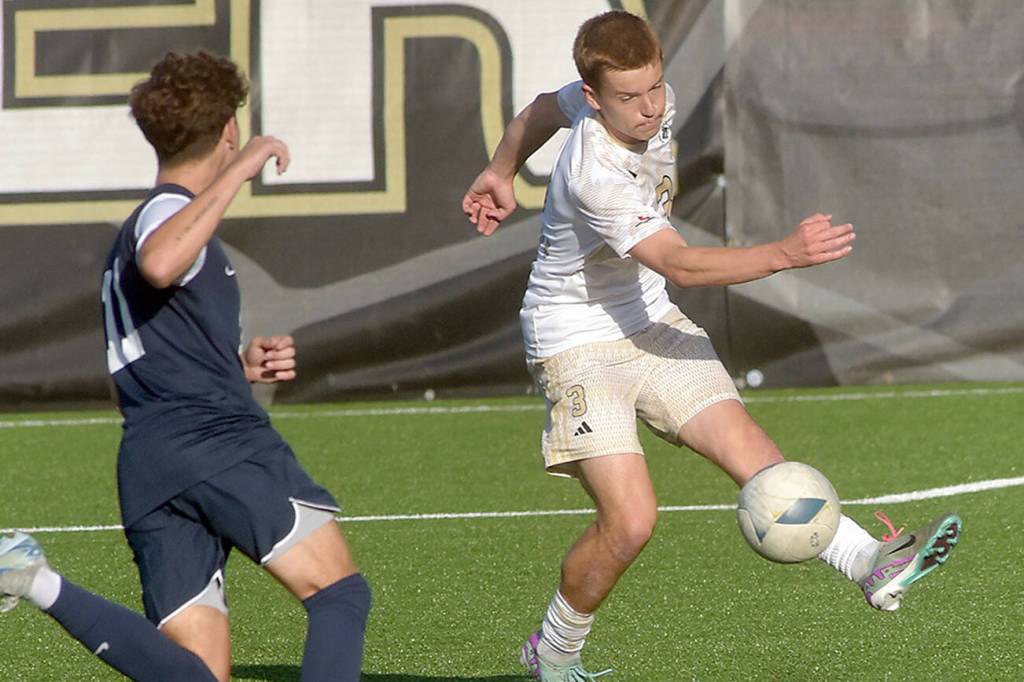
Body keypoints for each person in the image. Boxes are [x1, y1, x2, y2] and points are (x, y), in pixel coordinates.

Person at [462, 11, 961, 681]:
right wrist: (784, 254)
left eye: (656, 89)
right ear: (594, 97)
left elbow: (536, 111)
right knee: (632, 521)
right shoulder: (594, 173)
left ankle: (869, 563)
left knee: (756, 456)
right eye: (628, 98)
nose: (647, 109)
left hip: (647, 319)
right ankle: (552, 653)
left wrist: (499, 170)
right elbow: (684, 266)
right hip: (575, 341)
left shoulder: (621, 101)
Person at [0, 51, 370, 682]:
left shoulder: (142, 229)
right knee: (339, 595)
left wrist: (236, 365)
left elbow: (149, 355)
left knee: (198, 675)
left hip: (152, 459)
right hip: (216, 441)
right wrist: (243, 171)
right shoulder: (166, 216)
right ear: (229, 128)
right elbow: (162, 263)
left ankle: (37, 583)